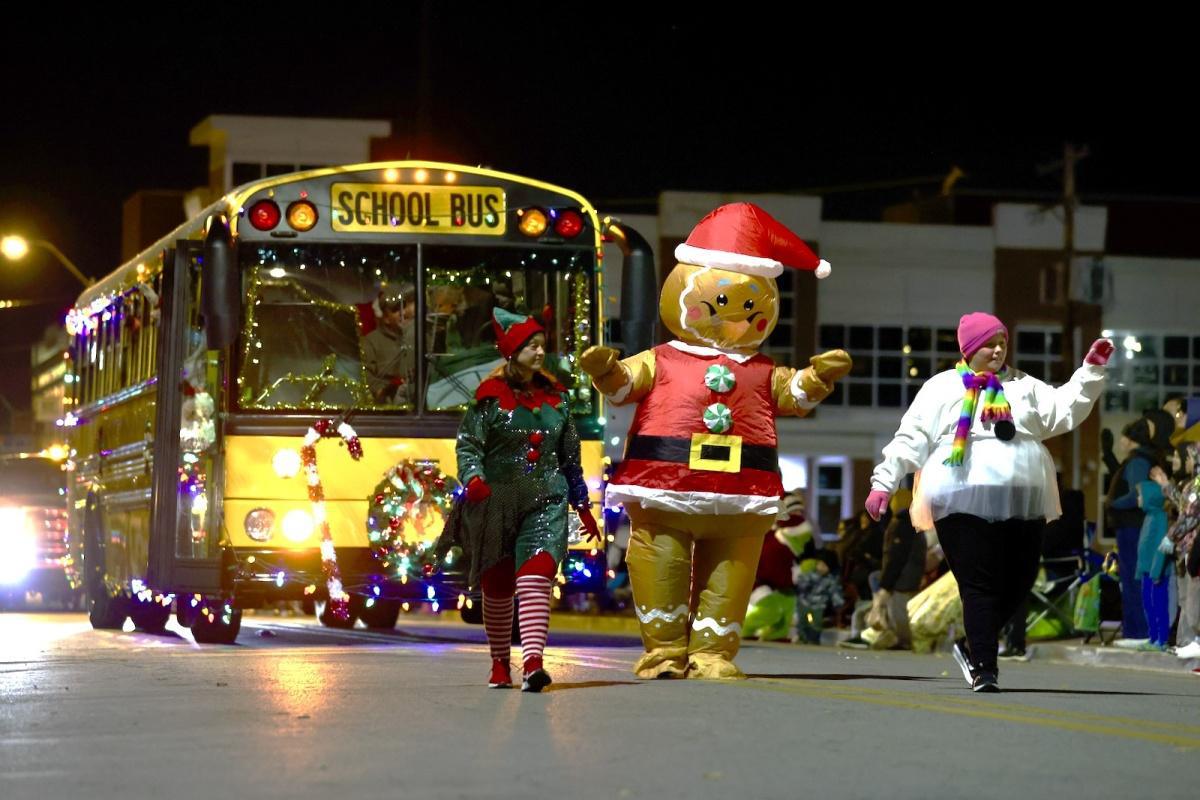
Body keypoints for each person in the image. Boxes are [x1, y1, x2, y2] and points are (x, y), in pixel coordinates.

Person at [865, 312, 1111, 692]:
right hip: (959, 491)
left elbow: (1063, 410)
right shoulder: (941, 388)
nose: (997, 350)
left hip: (1021, 493)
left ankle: (970, 645)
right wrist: (884, 481)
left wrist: (1089, 373)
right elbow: (910, 436)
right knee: (977, 582)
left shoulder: (1023, 385)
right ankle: (984, 666)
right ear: (968, 348)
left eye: (1002, 343)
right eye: (989, 344)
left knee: (1022, 575)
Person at [436, 308, 601, 692]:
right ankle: (498, 663)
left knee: (536, 577)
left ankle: (532, 664)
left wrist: (582, 505)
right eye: (532, 345)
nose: (540, 352)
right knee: (496, 587)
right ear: (512, 351)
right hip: (497, 502)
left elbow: (570, 460)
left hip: (547, 500)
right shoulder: (488, 399)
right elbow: (469, 446)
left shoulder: (557, 401)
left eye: (542, 345)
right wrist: (474, 478)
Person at [1105, 414, 1170, 644]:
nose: (1120, 441)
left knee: (1133, 577)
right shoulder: (1142, 458)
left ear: (1131, 439)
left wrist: (1112, 503)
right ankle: (1138, 630)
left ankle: (1137, 632)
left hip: (1132, 527)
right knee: (1135, 576)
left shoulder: (1137, 461)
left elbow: (1136, 492)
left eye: (1123, 437)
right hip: (1135, 525)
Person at [1135, 480, 1173, 651]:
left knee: (1158, 605)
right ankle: (1152, 637)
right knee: (1148, 605)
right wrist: (1140, 569)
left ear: (1151, 497)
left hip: (1156, 573)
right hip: (1146, 571)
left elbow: (1160, 546)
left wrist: (1157, 571)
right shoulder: (1148, 517)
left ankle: (1162, 639)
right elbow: (1143, 546)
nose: (1138, 499)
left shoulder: (1160, 518)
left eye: (1140, 495)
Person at [362, 287, 416, 404]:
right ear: (386, 318)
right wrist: (383, 392)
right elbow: (366, 375)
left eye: (404, 307)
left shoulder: (417, 337)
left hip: (417, 403)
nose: (403, 313)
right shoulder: (371, 341)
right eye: (396, 310)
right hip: (389, 406)